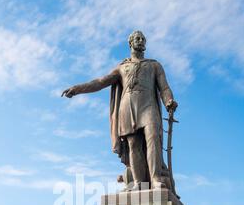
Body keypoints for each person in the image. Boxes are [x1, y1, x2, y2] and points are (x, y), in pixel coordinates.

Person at [62, 30, 178, 190]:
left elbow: (164, 87)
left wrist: (169, 101)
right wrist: (77, 89)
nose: (141, 40)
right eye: (137, 38)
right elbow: (100, 82)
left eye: (143, 39)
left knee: (153, 139)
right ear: (130, 43)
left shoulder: (154, 65)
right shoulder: (122, 67)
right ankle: (138, 183)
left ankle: (156, 179)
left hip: (148, 106)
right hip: (128, 107)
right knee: (133, 144)